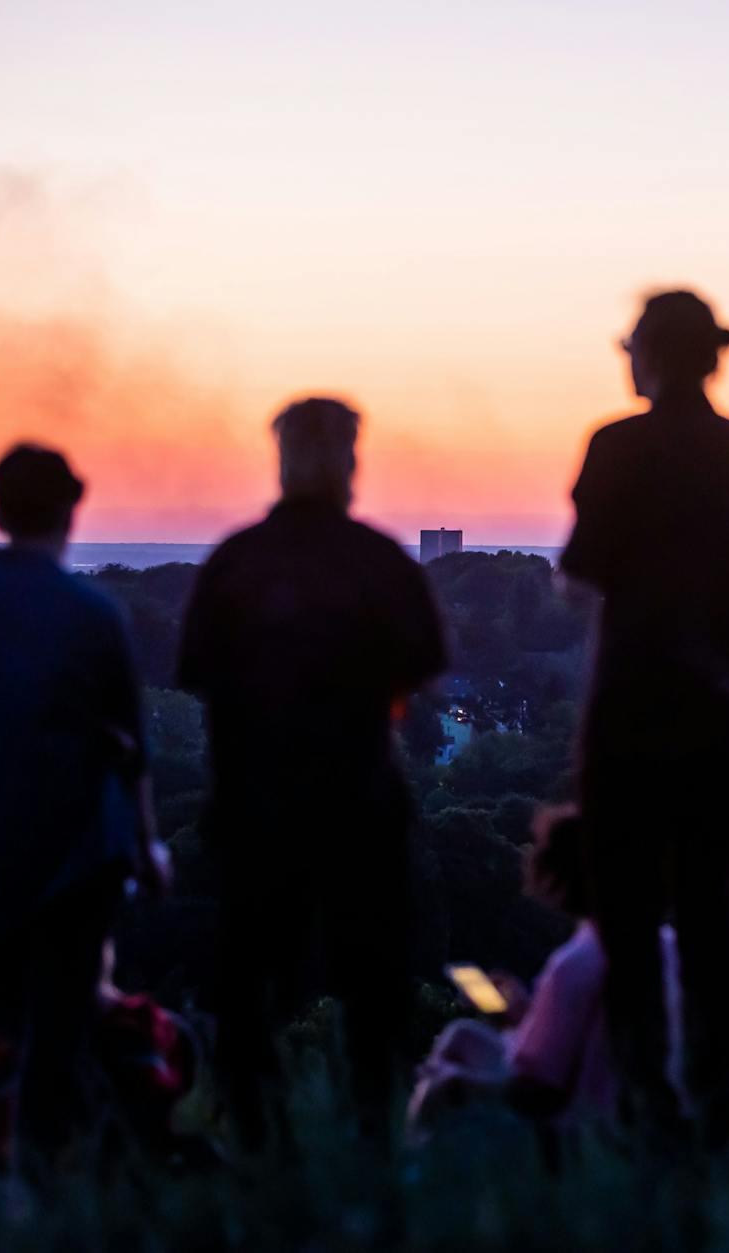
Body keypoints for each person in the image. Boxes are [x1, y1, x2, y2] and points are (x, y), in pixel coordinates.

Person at [560, 290, 729, 1146]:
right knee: (709, 912)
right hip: (714, 712)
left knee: (625, 915)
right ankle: (710, 1107)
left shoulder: (615, 447)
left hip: (626, 708)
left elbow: (580, 569)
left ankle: (642, 1102)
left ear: (654, 357)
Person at [177, 396, 447, 1148]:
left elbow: (197, 670)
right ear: (350, 462)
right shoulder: (379, 562)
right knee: (373, 986)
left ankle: (255, 1143)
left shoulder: (238, 562)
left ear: (282, 460)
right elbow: (422, 664)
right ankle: (373, 1139)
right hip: (358, 801)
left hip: (254, 804)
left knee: (250, 988)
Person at [0, 443, 169, 1162]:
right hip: (77, 849)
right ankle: (46, 1178)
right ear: (72, 508)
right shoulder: (90, 612)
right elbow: (132, 746)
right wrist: (149, 846)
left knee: (5, 1020)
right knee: (63, 1021)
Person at [407, 808, 683, 1139]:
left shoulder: (577, 963)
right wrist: (524, 1015)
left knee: (441, 1078)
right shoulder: (666, 946)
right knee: (463, 1034)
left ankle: (408, 1168)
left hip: (577, 1129)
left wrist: (454, 1085)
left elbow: (538, 1093)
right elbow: (585, 1043)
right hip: (635, 1114)